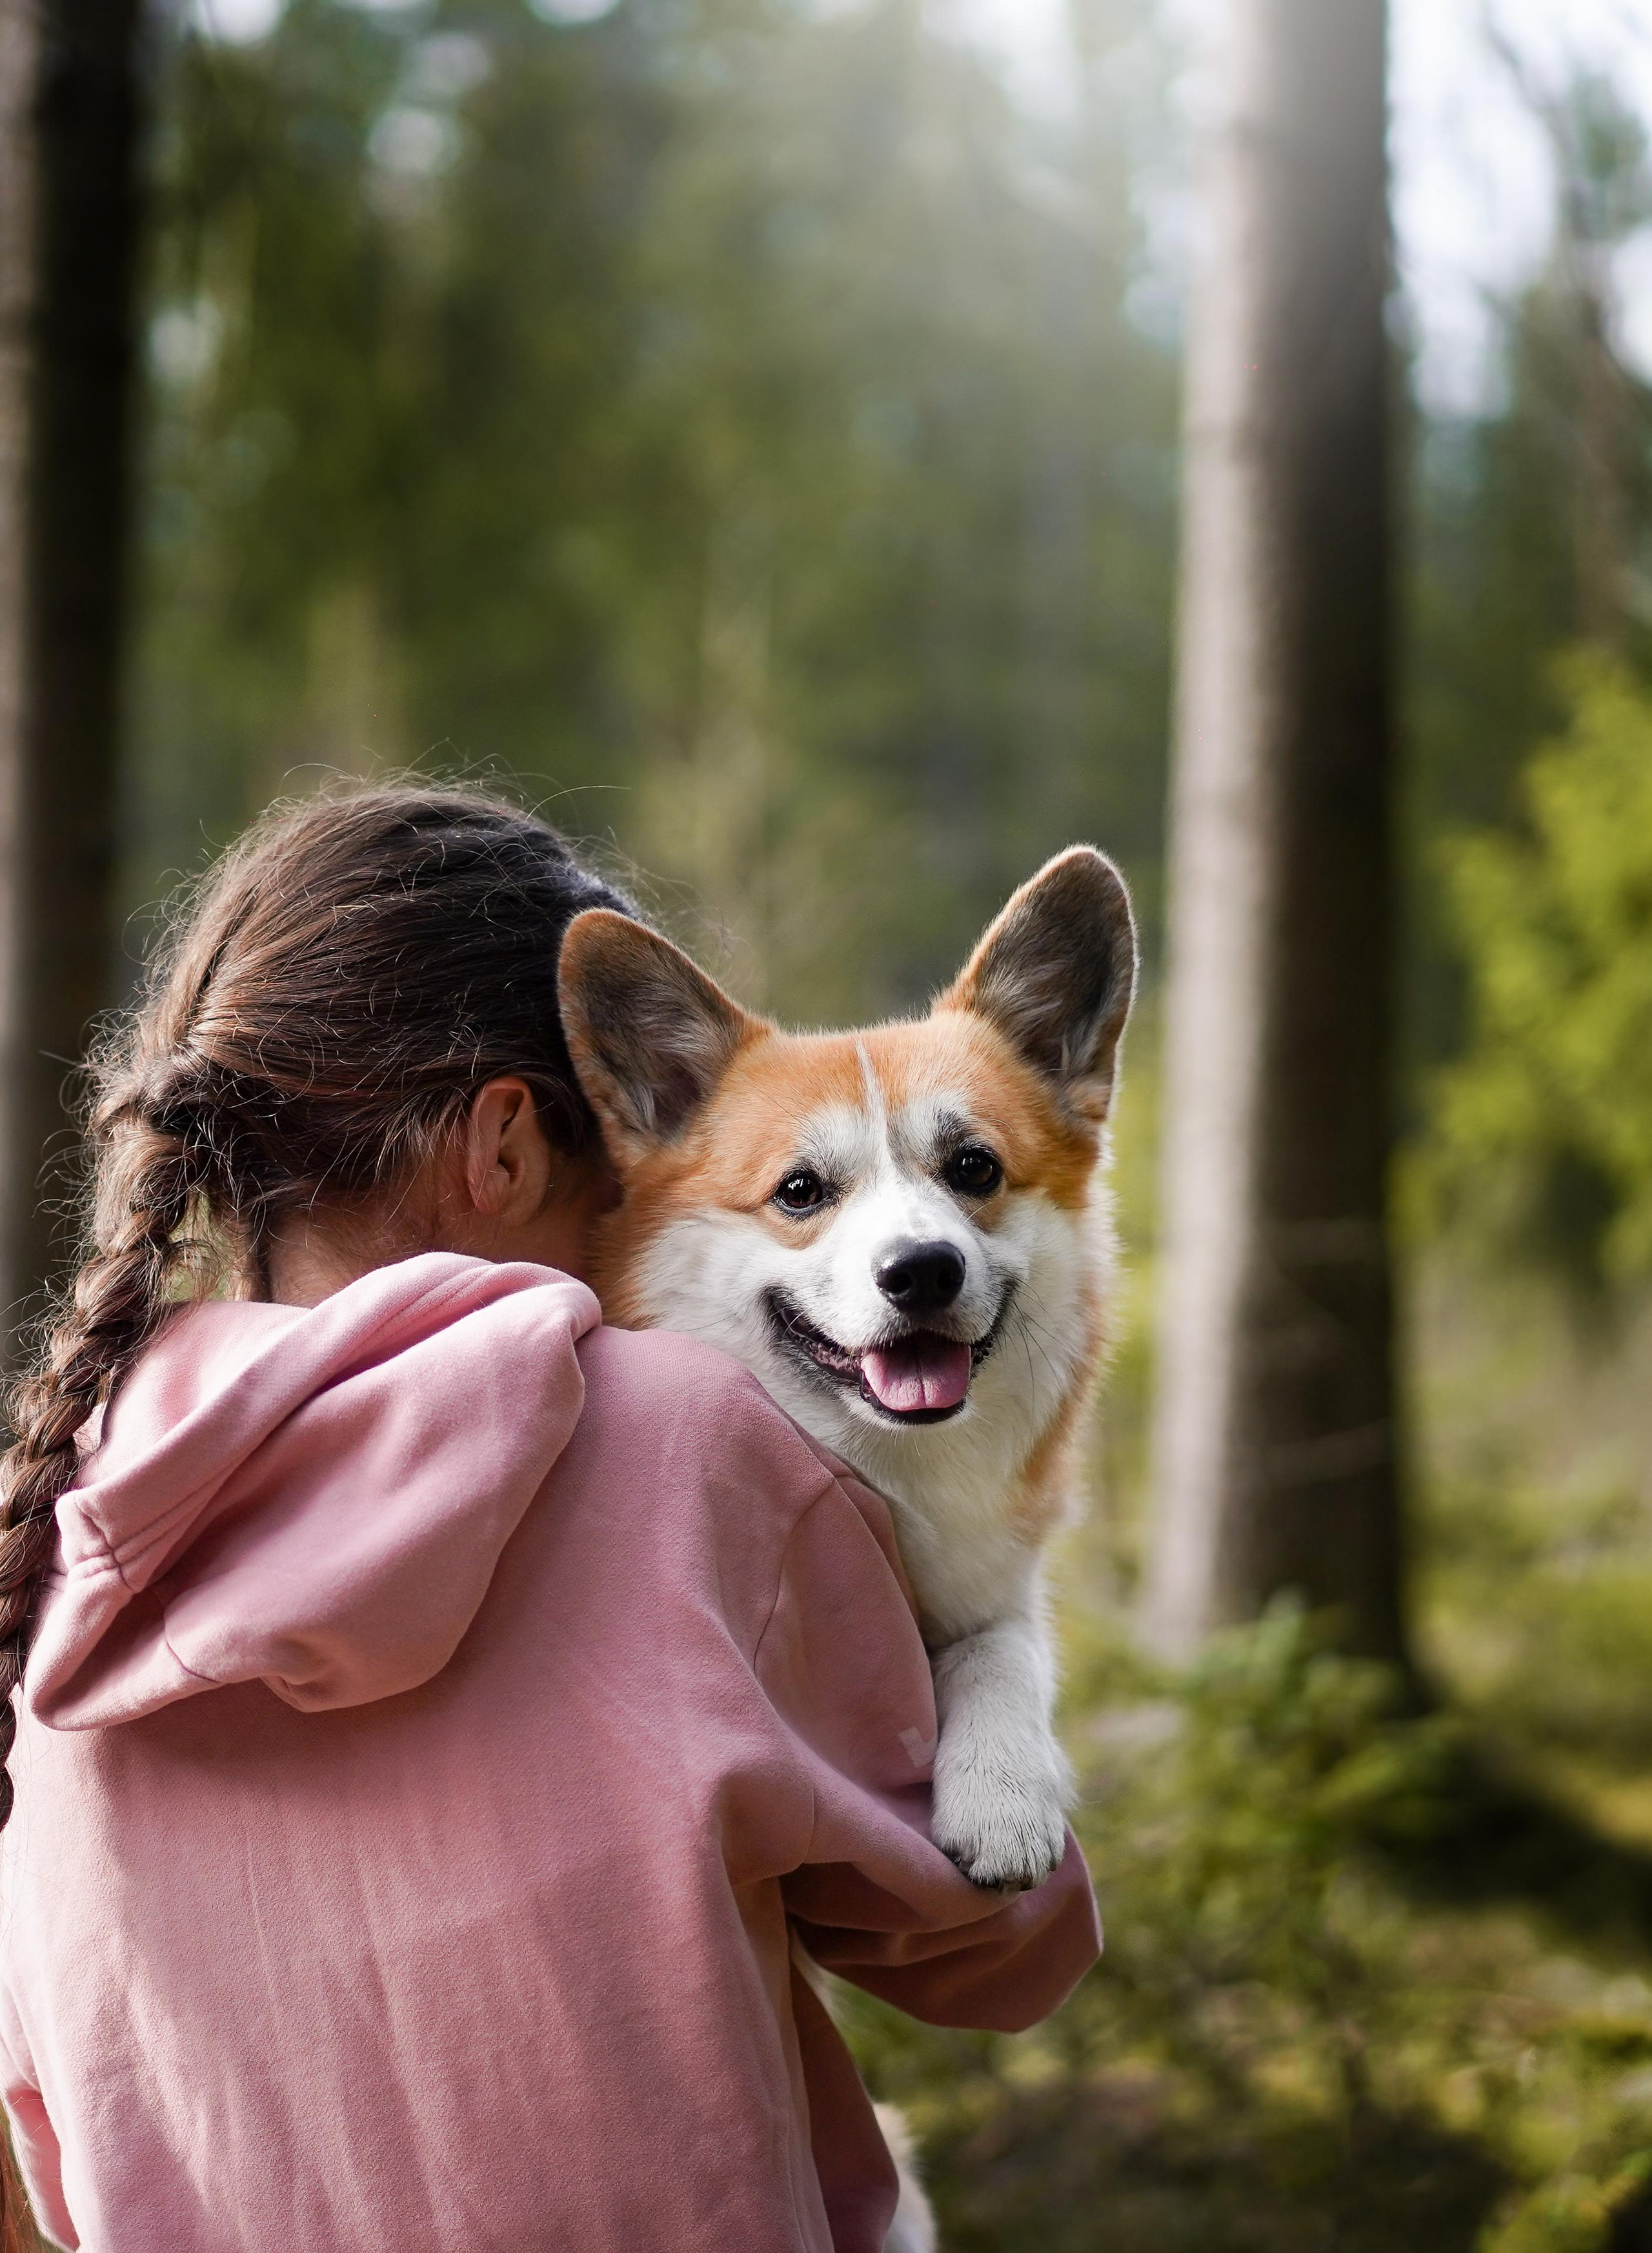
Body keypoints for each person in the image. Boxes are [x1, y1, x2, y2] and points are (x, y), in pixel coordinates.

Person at [0, 785, 1100, 2253]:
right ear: (509, 1145)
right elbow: (996, 1949)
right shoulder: (678, 1451)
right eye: (610, 1172)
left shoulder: (50, 1534)